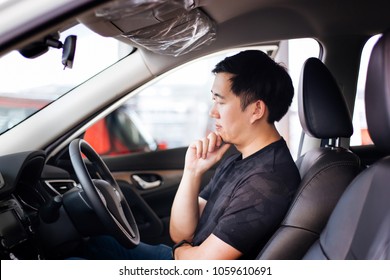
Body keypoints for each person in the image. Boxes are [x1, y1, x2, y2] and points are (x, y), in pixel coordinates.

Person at [77, 50, 300, 260]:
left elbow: (198, 265)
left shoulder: (267, 181)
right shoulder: (239, 159)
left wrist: (181, 252)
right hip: (182, 258)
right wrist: (192, 171)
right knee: (97, 243)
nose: (213, 111)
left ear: (256, 110)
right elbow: (180, 233)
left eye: (220, 101)